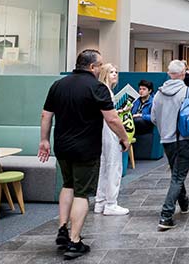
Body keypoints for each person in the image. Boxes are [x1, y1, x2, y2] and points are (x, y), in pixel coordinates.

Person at [39, 50, 129, 260]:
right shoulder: (97, 87)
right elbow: (113, 119)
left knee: (68, 185)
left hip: (62, 146)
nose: (100, 69)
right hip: (85, 148)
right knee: (82, 193)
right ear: (92, 67)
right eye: (100, 66)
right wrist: (124, 138)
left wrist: (44, 140)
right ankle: (75, 240)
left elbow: (46, 115)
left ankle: (62, 228)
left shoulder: (58, 85)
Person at [153, 60, 189, 231]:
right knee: (177, 176)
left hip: (167, 140)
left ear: (169, 74)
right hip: (185, 139)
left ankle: (184, 203)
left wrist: (164, 128)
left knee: (177, 172)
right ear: (183, 74)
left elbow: (153, 117)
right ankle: (166, 215)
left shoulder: (159, 94)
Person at [93, 63, 129, 216]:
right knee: (113, 167)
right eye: (111, 72)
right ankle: (111, 203)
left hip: (102, 132)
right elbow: (111, 118)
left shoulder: (102, 90)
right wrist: (123, 136)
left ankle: (100, 202)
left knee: (104, 167)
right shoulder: (105, 91)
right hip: (108, 132)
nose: (115, 74)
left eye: (116, 72)